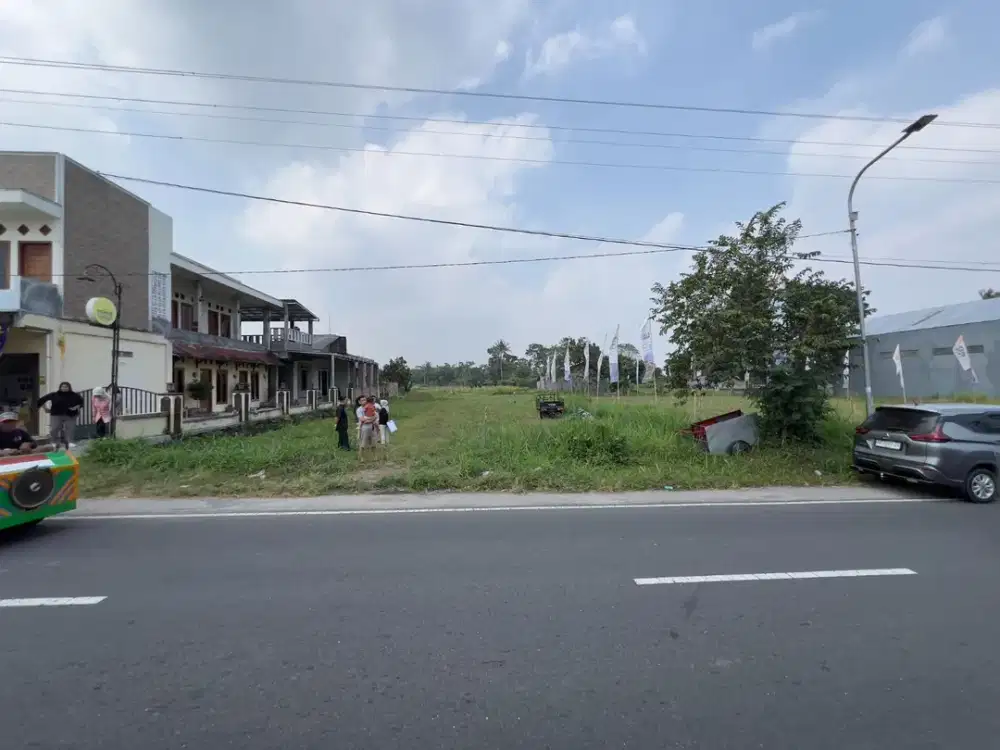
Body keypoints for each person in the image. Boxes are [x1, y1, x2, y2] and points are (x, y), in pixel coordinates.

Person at [37, 381, 83, 450]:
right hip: (56, 414)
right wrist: (45, 408)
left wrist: (76, 407)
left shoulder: (75, 395)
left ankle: (69, 441)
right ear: (60, 387)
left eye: (66, 387)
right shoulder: (54, 394)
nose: (64, 388)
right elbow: (41, 400)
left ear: (69, 387)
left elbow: (81, 403)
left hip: (70, 414)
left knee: (70, 428)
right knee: (54, 428)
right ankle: (53, 441)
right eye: (63, 387)